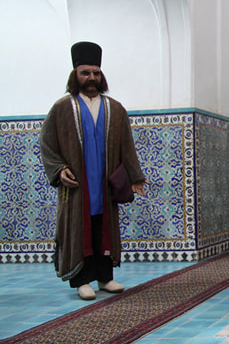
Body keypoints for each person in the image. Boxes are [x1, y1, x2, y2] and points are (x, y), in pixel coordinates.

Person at [39, 41, 148, 300]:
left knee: (103, 229)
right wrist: (59, 170)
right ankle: (81, 280)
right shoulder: (62, 108)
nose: (91, 78)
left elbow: (127, 146)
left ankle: (105, 278)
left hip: (104, 185)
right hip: (77, 188)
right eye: (85, 73)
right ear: (75, 75)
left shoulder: (115, 109)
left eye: (96, 73)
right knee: (79, 230)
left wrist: (136, 178)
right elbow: (47, 143)